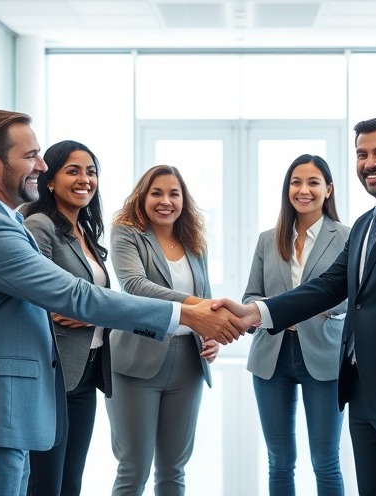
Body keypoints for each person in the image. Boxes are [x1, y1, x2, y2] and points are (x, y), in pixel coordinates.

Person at [0, 110, 245, 496]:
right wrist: (185, 312)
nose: (41, 164)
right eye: (31, 155)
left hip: (26, 396)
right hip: (4, 402)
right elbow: (74, 295)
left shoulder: (3, 218)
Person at [218, 117, 376, 495]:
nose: (369, 163)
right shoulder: (369, 222)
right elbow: (328, 286)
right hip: (361, 385)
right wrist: (256, 313)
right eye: (362, 154)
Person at [106, 165, 220, 496]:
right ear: (142, 197)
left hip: (189, 363)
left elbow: (208, 298)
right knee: (133, 469)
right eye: (157, 192)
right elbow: (135, 286)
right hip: (134, 362)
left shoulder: (194, 244)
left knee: (173, 470)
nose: (165, 201)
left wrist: (211, 335)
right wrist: (196, 307)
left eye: (174, 193)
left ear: (184, 200)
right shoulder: (126, 233)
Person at [243, 154, 350, 496]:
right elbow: (252, 294)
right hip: (271, 356)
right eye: (296, 182)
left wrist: (327, 305)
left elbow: (355, 295)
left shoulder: (347, 236)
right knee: (279, 459)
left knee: (325, 460)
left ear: (328, 189)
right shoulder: (267, 239)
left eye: (313, 182)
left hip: (323, 355)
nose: (304, 190)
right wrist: (248, 312)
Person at [21, 140, 112, 495]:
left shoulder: (85, 231)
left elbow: (92, 301)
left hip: (85, 371)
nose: (85, 179)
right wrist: (86, 309)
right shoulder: (40, 225)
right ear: (50, 180)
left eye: (91, 172)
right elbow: (33, 292)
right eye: (73, 170)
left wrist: (91, 314)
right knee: (46, 482)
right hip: (53, 370)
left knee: (71, 481)